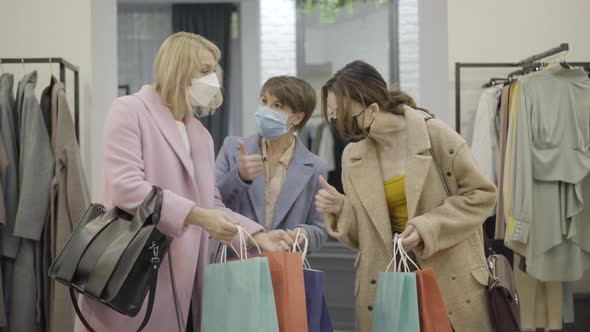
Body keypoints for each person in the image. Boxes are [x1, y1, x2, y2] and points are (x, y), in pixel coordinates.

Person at [76, 32, 291, 332]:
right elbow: (127, 188)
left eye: (214, 70)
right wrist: (198, 217)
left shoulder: (200, 135)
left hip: (185, 282)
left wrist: (257, 236)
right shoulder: (129, 111)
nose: (213, 78)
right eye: (204, 70)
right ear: (177, 68)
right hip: (131, 275)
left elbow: (211, 203)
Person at [315, 60, 497, 332]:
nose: (336, 122)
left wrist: (427, 228)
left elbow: (482, 195)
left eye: (341, 113)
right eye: (332, 114)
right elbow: (363, 239)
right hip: (388, 285)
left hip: (450, 278)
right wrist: (342, 208)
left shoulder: (434, 135)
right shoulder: (353, 156)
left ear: (373, 108)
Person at [216, 76, 328, 252]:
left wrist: (303, 234)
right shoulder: (232, 148)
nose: (266, 110)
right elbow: (211, 203)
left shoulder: (316, 167)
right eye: (264, 101)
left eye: (277, 106)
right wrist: (239, 177)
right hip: (235, 263)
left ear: (297, 118)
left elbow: (319, 229)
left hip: (283, 266)